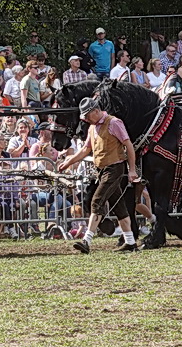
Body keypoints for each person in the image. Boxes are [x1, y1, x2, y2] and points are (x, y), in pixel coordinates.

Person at [58, 100, 140, 253]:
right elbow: (85, 149)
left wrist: (132, 169)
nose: (86, 119)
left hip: (115, 168)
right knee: (119, 207)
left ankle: (86, 240)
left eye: (88, 116)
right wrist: (69, 161)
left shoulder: (114, 123)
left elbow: (128, 145)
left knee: (97, 201)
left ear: (96, 111)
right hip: (103, 170)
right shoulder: (92, 128)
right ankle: (130, 242)